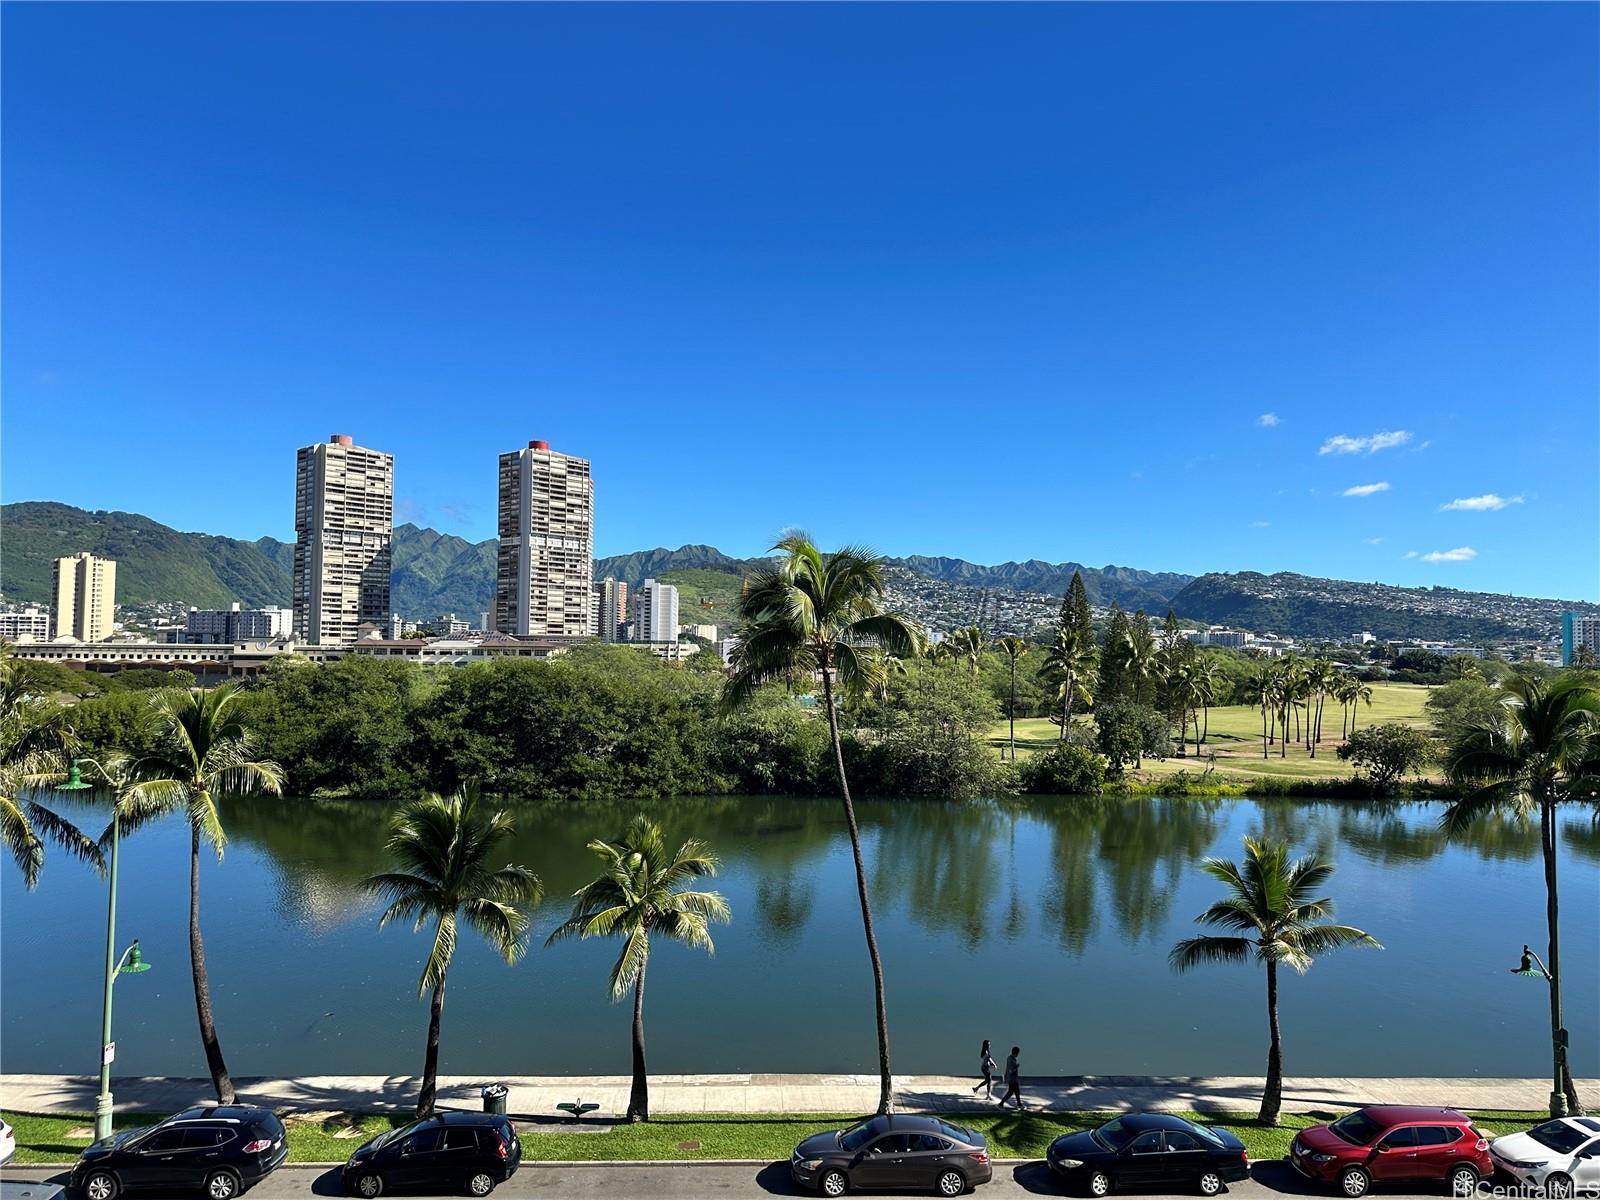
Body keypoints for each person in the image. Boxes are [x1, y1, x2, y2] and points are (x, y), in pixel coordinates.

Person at [997, 1045, 1024, 1110]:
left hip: (1012, 1078)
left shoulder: (1009, 1058)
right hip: (1013, 1079)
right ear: (1016, 1053)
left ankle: (1019, 1104)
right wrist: (1016, 1067)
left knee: (1015, 1092)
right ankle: (1001, 1104)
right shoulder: (1012, 1059)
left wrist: (1006, 1075)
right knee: (1012, 1092)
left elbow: (1007, 1068)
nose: (1018, 1054)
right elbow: (1011, 1070)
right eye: (1018, 1053)